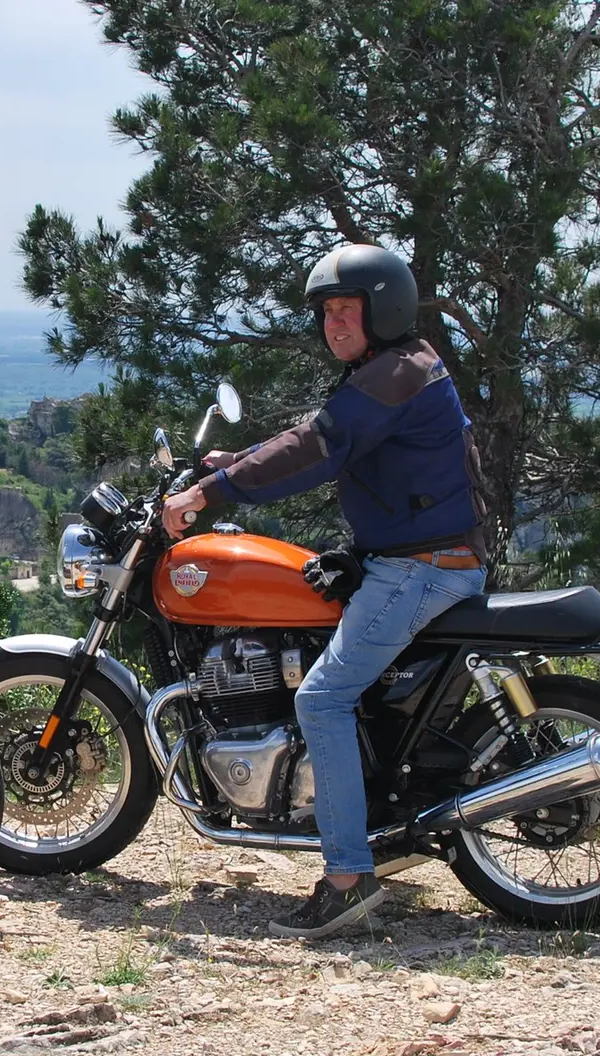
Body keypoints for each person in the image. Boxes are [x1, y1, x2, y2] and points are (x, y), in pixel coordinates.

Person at [161, 242, 489, 939]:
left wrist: (209, 491)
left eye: (349, 309)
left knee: (322, 698)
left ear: (385, 309)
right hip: (413, 559)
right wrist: (238, 461)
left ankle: (347, 880)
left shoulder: (396, 373)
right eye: (328, 312)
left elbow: (317, 448)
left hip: (424, 568)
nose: (335, 322)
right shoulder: (396, 368)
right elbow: (316, 434)